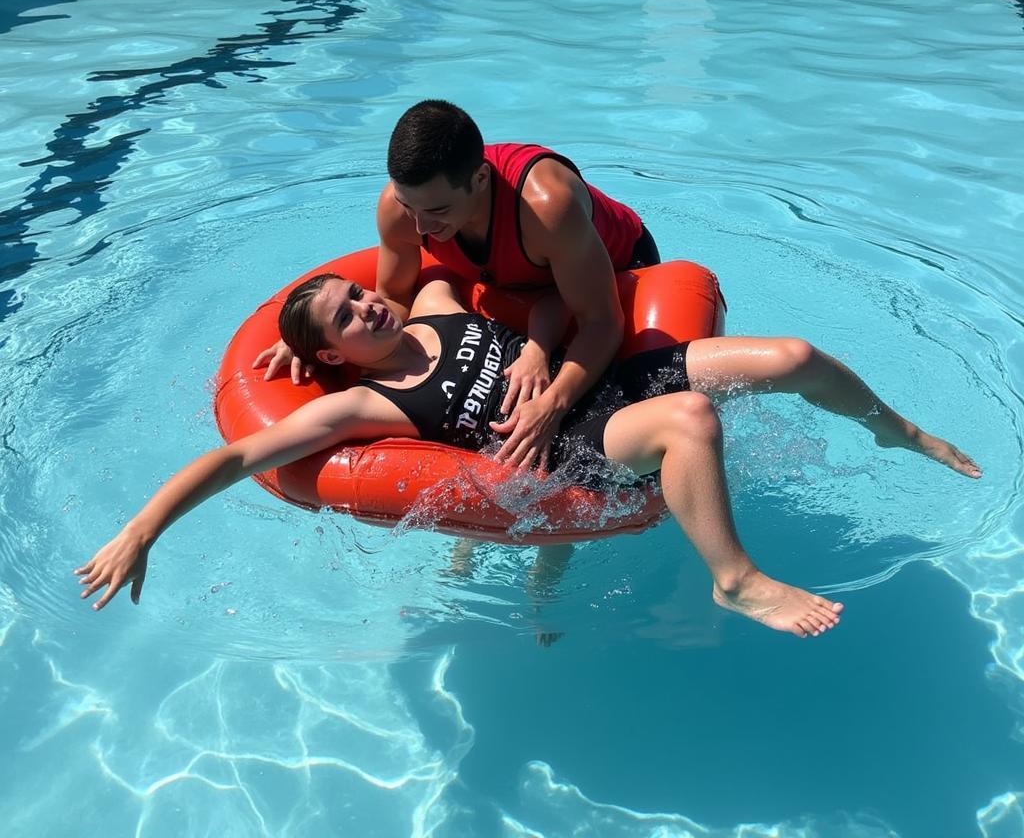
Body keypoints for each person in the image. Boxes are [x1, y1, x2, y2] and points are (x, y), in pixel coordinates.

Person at [76, 274, 980, 638]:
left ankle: (894, 429)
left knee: (790, 358)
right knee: (691, 422)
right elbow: (238, 459)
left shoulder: (432, 298)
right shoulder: (361, 402)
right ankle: (734, 578)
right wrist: (143, 528)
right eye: (348, 318)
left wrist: (543, 346)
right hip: (580, 444)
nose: (367, 308)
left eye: (358, 295)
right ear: (334, 359)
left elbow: (510, 281)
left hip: (602, 381)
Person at [260, 100, 662, 471]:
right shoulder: (401, 211)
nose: (420, 228)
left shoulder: (545, 206)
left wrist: (552, 403)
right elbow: (396, 300)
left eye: (437, 211)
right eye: (408, 206)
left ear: (481, 178)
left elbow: (600, 322)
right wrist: (311, 337)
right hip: (520, 291)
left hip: (615, 274)